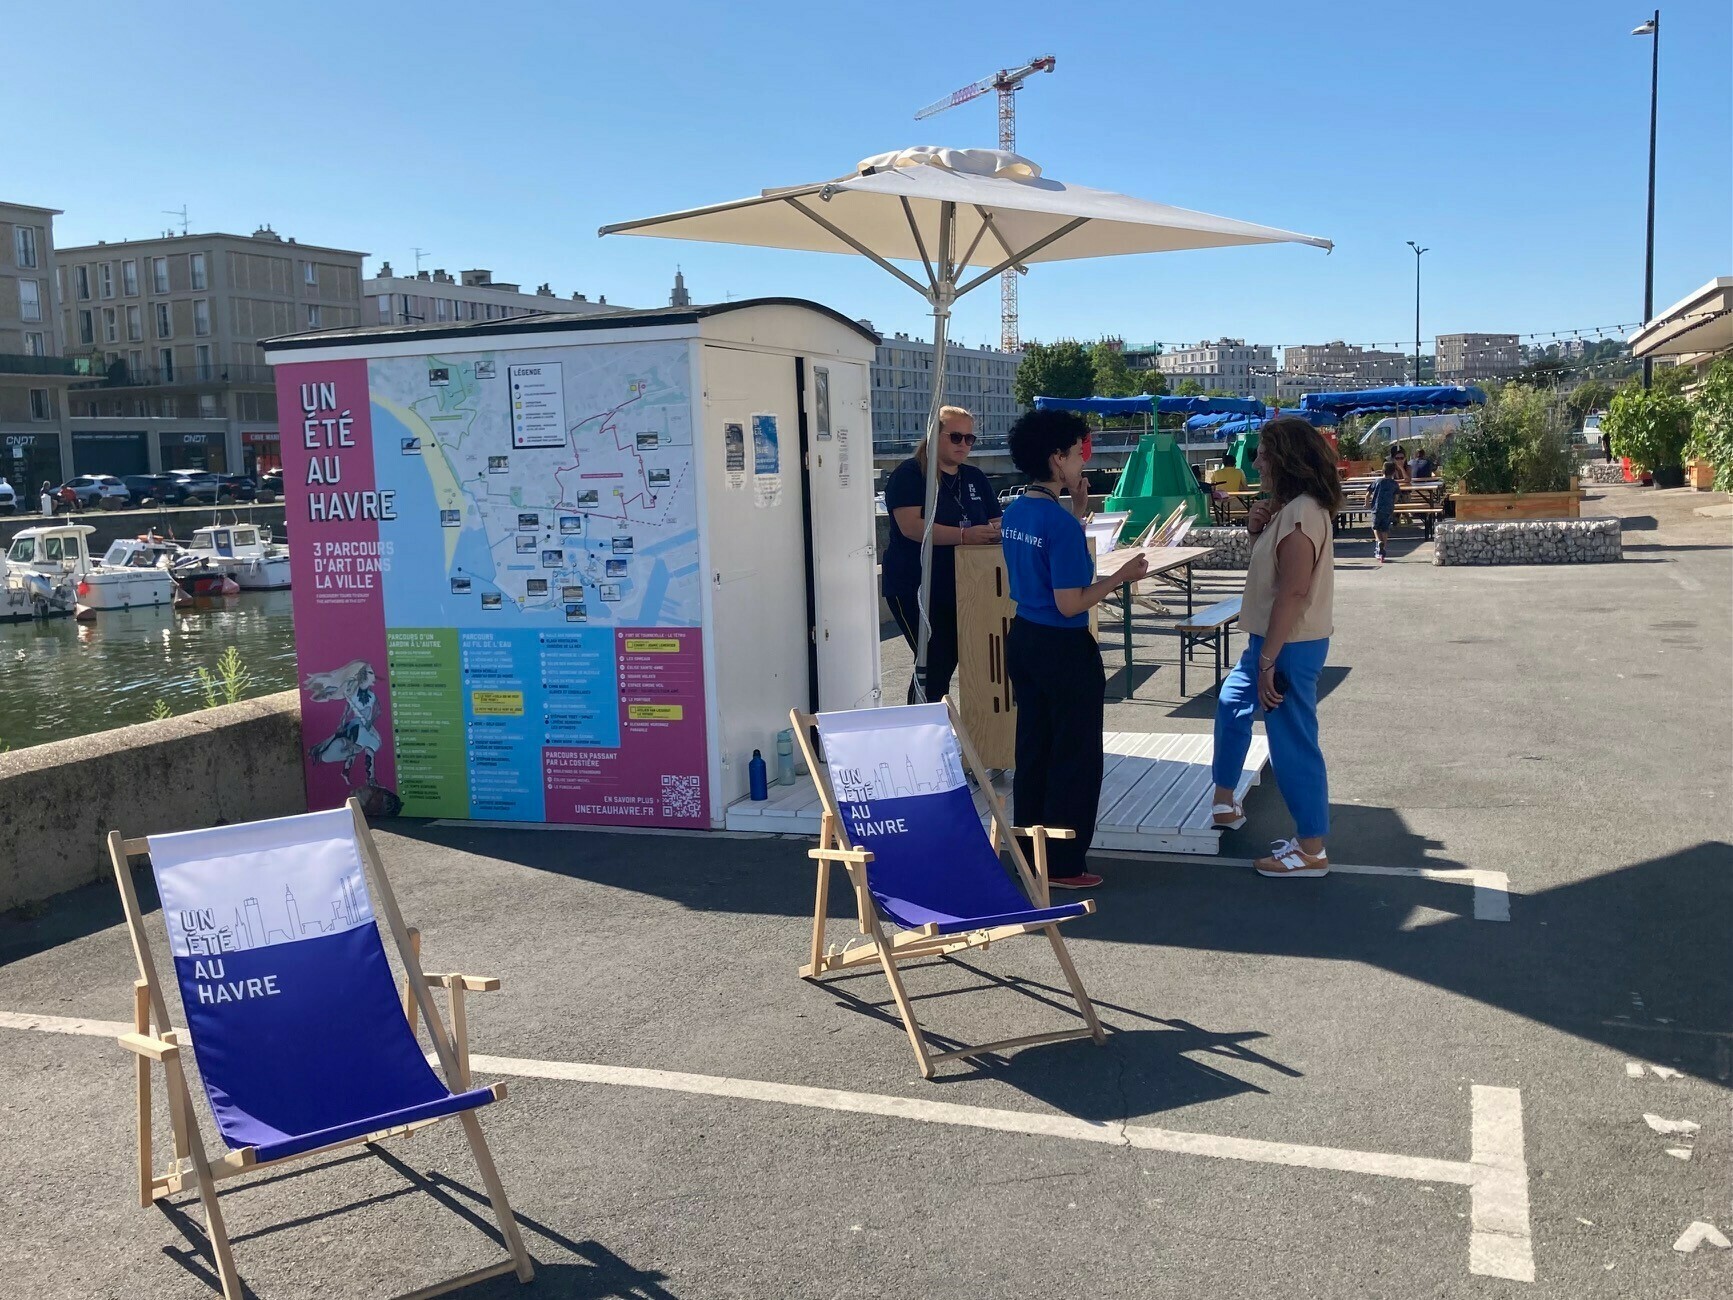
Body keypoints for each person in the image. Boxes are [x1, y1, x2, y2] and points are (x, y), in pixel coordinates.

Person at [1001, 409, 1149, 890]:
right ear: (1056, 457)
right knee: (1075, 756)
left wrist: (1077, 515)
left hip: (1024, 637)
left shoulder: (1017, 512)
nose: (1081, 463)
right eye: (1075, 454)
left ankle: (1030, 851)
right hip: (1063, 647)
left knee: (1035, 748)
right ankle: (1064, 864)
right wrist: (1120, 577)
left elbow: (1043, 563)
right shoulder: (1059, 525)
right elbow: (1070, 603)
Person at [1209, 415, 1342, 878]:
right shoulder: (1291, 509)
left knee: (1292, 741)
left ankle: (1311, 850)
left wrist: (1267, 662)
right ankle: (1224, 800)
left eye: (1263, 453)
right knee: (1231, 704)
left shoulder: (1303, 513)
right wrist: (1256, 530)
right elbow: (1279, 580)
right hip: (1273, 641)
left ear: (1283, 459)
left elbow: (1293, 592)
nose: (1257, 460)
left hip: (1287, 644)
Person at [881, 406, 1001, 704]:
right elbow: (911, 527)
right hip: (916, 585)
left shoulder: (974, 477)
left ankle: (933, 727)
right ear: (934, 437)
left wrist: (995, 532)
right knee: (933, 659)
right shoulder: (910, 474)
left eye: (970, 438)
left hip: (962, 585)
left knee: (950, 658)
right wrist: (963, 535)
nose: (964, 444)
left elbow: (995, 522)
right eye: (956, 437)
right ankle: (918, 732)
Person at [1368, 459, 1401, 563]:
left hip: (1376, 508)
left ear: (1382, 471)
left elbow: (1368, 493)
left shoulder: (1377, 481)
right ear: (1394, 472)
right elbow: (1396, 497)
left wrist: (1367, 503)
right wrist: (1393, 503)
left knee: (1375, 527)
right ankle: (1383, 549)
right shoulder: (1394, 484)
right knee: (1385, 529)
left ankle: (1378, 542)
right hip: (1388, 509)